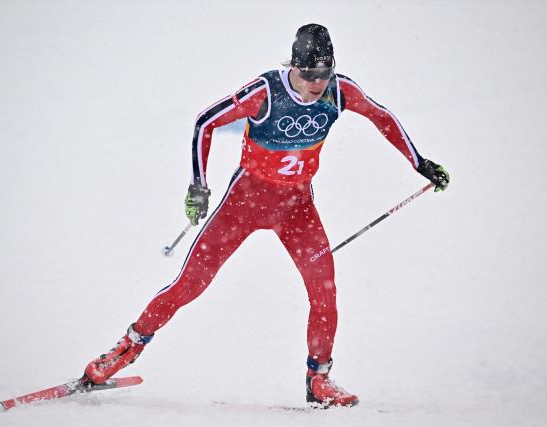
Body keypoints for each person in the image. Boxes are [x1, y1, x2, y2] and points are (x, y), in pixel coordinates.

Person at [80, 23, 449, 408]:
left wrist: (420, 163)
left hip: (297, 208)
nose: (317, 83)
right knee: (190, 284)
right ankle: (119, 354)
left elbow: (381, 116)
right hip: (244, 203)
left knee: (324, 291)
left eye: (324, 73)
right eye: (308, 74)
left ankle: (318, 380)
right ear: (293, 66)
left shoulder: (340, 91)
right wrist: (198, 185)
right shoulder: (265, 91)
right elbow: (205, 122)